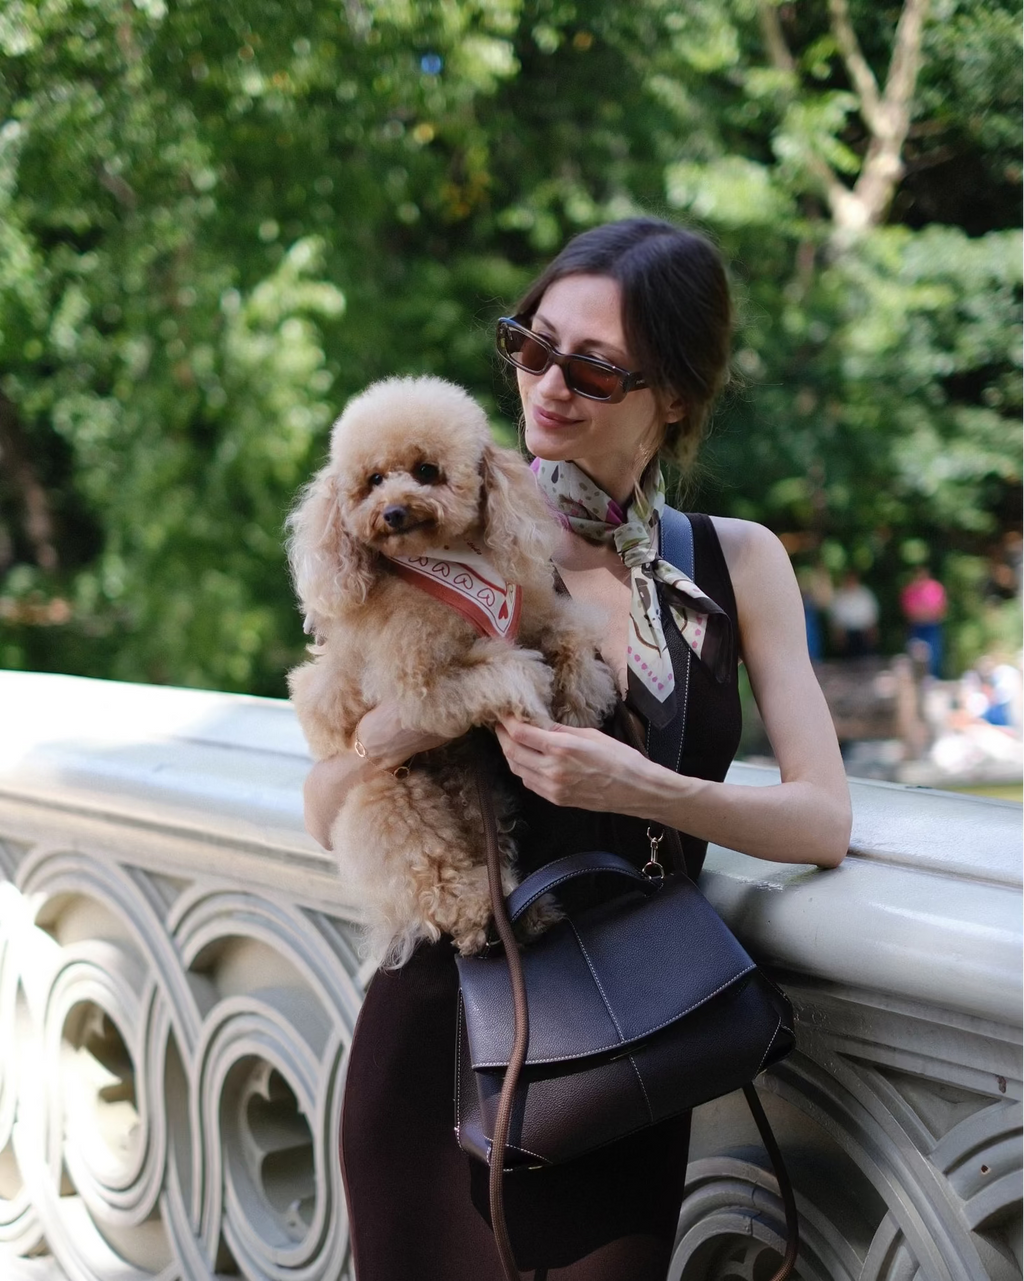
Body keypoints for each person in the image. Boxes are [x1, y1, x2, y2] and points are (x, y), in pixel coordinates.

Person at [303, 218, 851, 1280]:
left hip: (624, 1046)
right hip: (442, 1027)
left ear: (676, 396)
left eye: (593, 367)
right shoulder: (441, 532)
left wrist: (647, 788)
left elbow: (821, 821)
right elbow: (328, 798)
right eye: (531, 344)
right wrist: (434, 713)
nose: (547, 385)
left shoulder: (734, 564)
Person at [899, 565, 947, 679]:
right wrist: (924, 613)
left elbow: (941, 609)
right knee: (916, 654)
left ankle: (933, 678)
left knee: (934, 654)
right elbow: (908, 611)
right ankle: (918, 679)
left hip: (931, 626)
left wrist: (924, 613)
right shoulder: (910, 590)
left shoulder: (935, 588)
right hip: (916, 627)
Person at [828, 570, 879, 658]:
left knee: (865, 659)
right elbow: (835, 618)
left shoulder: (865, 594)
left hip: (863, 633)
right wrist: (838, 634)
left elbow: (871, 615)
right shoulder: (840, 596)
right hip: (846, 634)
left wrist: (872, 632)